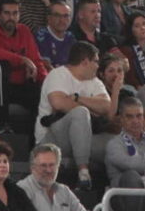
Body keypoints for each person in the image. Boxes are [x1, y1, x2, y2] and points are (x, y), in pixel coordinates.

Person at [36, 41, 112, 188]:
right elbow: (59, 103)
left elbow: (106, 107)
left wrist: (78, 98)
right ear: (85, 62)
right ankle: (83, 172)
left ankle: (115, 192)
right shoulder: (58, 75)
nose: (98, 66)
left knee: (115, 143)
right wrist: (91, 108)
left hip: (83, 138)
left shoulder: (94, 81)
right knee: (80, 113)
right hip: (52, 139)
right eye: (96, 61)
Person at [0, 0, 47, 127]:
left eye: (15, 13)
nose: (11, 17)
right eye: (7, 13)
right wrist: (23, 60)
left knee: (37, 90)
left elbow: (35, 60)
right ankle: (4, 123)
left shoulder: (24, 31)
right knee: (2, 66)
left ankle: (36, 139)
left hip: (14, 86)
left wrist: (48, 83)